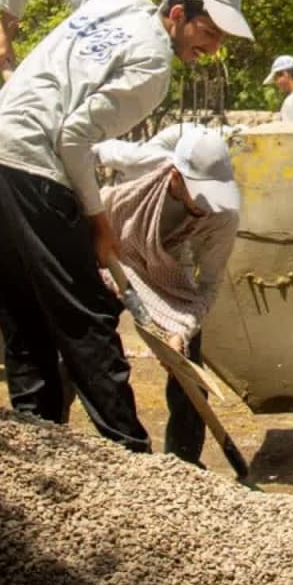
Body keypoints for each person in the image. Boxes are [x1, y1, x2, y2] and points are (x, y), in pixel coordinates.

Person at [0, 0, 253, 453]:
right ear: (178, 14)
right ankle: (130, 457)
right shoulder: (153, 70)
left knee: (24, 321)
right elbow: (73, 138)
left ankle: (37, 446)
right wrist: (100, 226)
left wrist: (7, 29)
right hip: (34, 167)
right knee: (86, 320)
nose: (212, 49)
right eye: (208, 32)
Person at [94, 124, 240, 465]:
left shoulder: (223, 217)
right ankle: (117, 450)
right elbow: (90, 149)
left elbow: (209, 285)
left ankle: (183, 462)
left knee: (188, 365)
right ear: (175, 177)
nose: (209, 202)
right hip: (108, 249)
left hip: (164, 269)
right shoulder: (144, 162)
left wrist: (180, 331)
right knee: (91, 350)